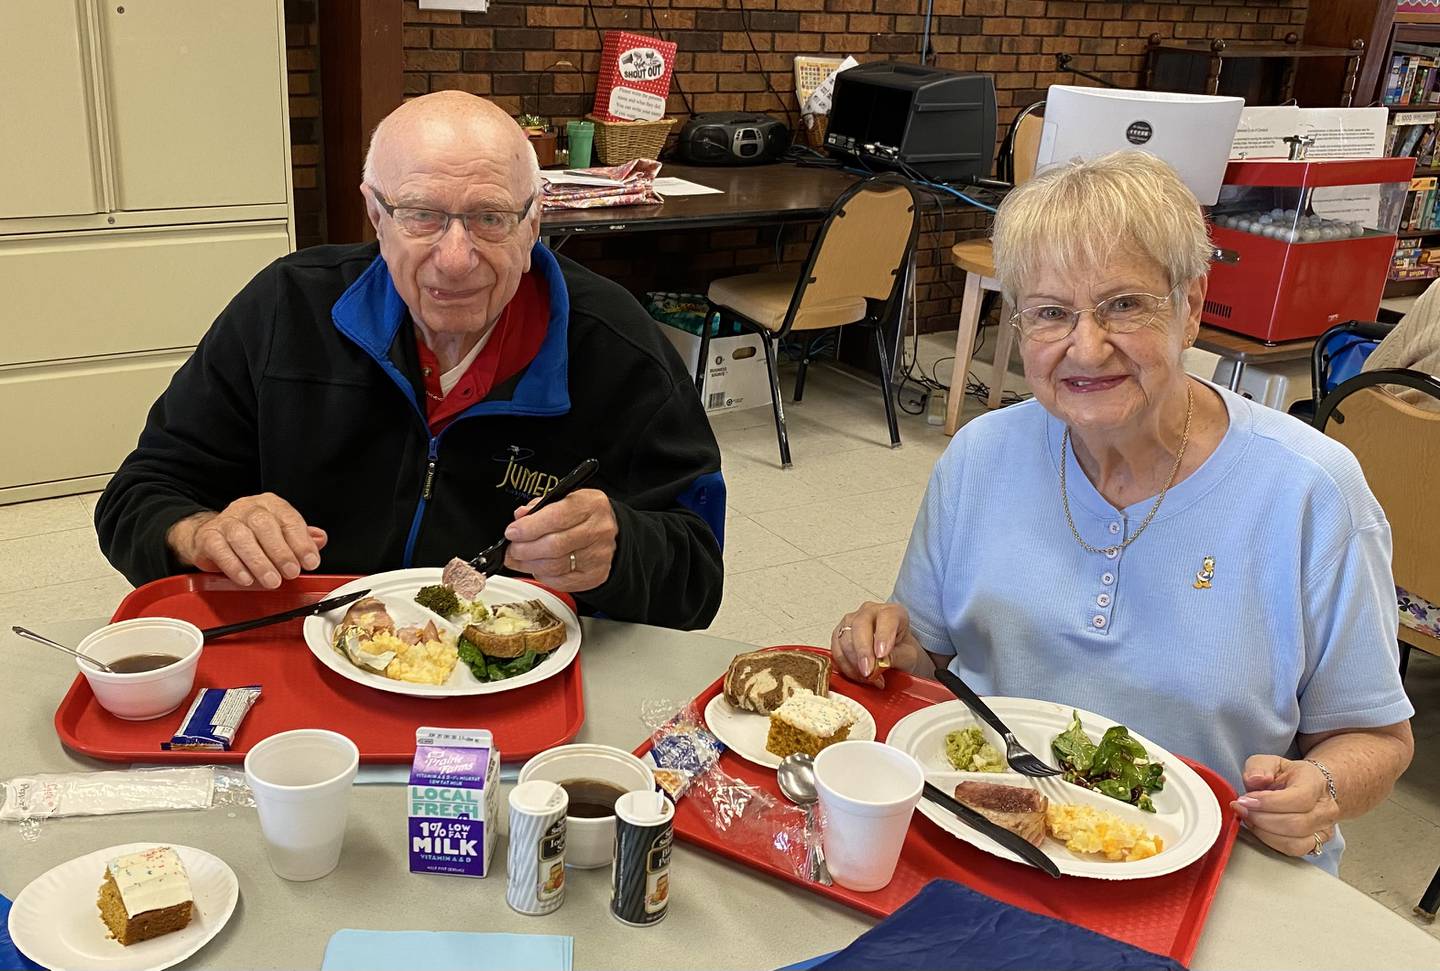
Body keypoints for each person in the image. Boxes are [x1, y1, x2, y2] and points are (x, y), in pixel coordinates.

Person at [831, 152, 1414, 872]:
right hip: (993, 837)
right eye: (1050, 313)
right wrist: (884, 644)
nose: (1086, 345)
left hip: (1213, 868)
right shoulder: (980, 456)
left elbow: (1380, 739)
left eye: (1123, 305)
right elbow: (932, 659)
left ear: (1192, 305)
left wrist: (1321, 787)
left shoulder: (1310, 492)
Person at [96, 92, 723, 629]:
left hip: (509, 676)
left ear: (535, 221)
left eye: (491, 218)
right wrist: (202, 531)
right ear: (375, 212)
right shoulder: (284, 309)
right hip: (303, 653)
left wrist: (622, 550)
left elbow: (698, 579)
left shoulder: (620, 349)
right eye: (421, 215)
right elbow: (136, 496)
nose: (455, 258)